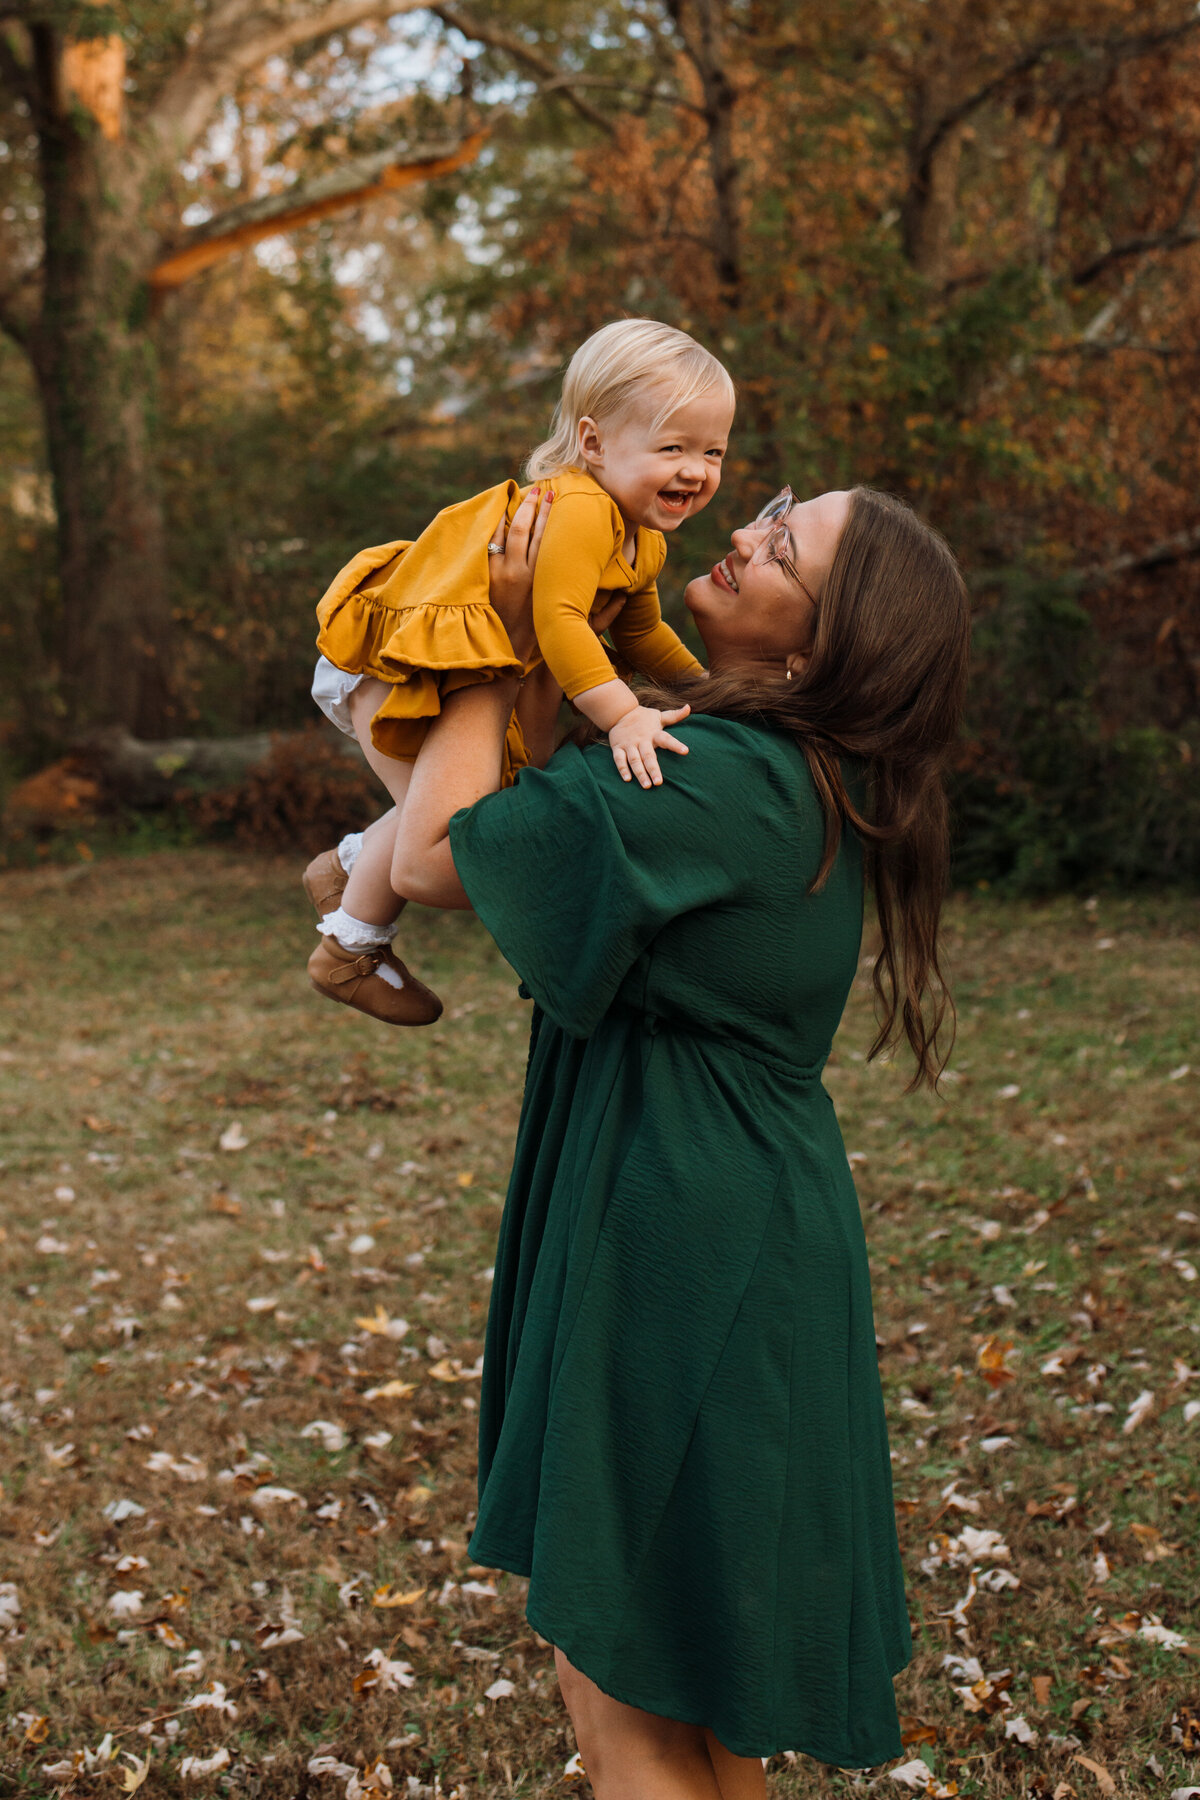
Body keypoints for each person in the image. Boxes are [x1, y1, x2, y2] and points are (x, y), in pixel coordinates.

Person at [390, 481, 971, 1798]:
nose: (746, 533)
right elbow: (532, 815)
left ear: (820, 648)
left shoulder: (726, 781)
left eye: (784, 547)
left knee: (627, 1693)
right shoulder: (760, 769)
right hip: (721, 1220)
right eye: (771, 508)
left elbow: (432, 858)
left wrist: (490, 634)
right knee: (688, 1707)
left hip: (686, 1246)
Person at [303, 318, 735, 1027]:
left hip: (450, 663)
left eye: (713, 450)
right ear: (594, 443)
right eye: (673, 447)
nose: (697, 470)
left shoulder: (641, 538)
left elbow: (643, 634)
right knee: (463, 829)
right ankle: (348, 951)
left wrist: (711, 696)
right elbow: (561, 621)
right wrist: (623, 715)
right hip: (393, 658)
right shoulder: (583, 509)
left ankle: (348, 870)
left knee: (470, 810)